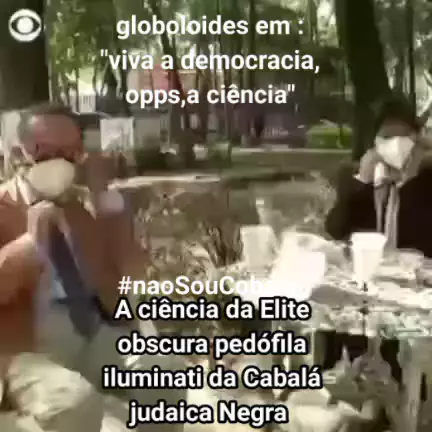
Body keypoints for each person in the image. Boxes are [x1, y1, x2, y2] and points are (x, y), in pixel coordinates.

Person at [0, 103, 185, 432]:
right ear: (19, 153)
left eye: (69, 152)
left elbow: (130, 278)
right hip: (26, 348)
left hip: (90, 331)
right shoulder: (3, 207)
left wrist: (105, 197)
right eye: (45, 151)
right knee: (74, 402)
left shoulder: (83, 206)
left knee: (164, 372)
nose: (59, 161)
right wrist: (30, 242)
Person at [323, 94, 431, 420]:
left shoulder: (428, 181)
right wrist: (361, 181)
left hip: (415, 296)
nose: (395, 144)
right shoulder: (363, 182)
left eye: (403, 135)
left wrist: (411, 183)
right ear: (374, 143)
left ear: (417, 139)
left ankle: (402, 403)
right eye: (386, 136)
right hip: (369, 294)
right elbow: (335, 229)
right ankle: (360, 397)